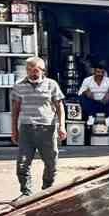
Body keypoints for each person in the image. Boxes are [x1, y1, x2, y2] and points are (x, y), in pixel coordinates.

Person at [10, 56, 66, 197]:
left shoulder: (51, 85)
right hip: (26, 128)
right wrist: (14, 130)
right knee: (22, 163)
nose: (32, 73)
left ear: (42, 70)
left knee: (51, 163)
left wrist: (62, 126)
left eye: (35, 70)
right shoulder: (19, 86)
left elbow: (60, 107)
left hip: (47, 128)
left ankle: (47, 190)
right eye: (29, 70)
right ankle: (26, 192)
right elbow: (15, 110)